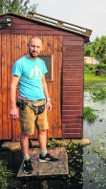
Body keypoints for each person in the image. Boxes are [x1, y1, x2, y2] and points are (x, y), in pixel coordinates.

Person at [10, 36, 59, 174]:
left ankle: (43, 155)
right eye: (33, 46)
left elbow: (43, 82)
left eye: (38, 47)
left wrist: (48, 99)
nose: (35, 49)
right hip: (27, 105)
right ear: (28, 45)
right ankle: (26, 159)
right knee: (26, 133)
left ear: (41, 48)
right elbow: (13, 86)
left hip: (41, 103)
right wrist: (13, 107)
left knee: (43, 130)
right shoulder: (20, 63)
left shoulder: (41, 63)